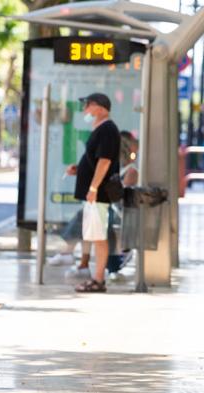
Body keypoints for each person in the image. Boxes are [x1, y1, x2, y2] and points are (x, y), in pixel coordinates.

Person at [66, 92, 121, 293]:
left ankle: (98, 280)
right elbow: (95, 161)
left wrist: (93, 187)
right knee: (95, 235)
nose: (85, 110)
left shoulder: (107, 129)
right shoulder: (101, 129)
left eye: (88, 105)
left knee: (98, 236)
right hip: (94, 193)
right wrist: (80, 170)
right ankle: (97, 278)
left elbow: (105, 161)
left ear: (100, 107)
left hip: (98, 194)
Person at [106, 131, 139, 279]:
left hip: (122, 212)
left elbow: (122, 195)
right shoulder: (115, 167)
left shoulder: (131, 170)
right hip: (114, 209)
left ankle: (115, 263)